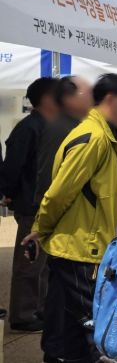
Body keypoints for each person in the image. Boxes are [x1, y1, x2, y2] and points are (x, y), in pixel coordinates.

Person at [24, 73, 117, 363]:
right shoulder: (94, 138)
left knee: (64, 330)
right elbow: (58, 194)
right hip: (82, 252)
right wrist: (40, 229)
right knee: (98, 330)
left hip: (81, 249)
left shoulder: (104, 135)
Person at [0, 77, 58, 332]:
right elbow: (13, 166)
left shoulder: (47, 125)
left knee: (43, 263)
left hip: (44, 204)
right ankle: (23, 315)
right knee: (29, 261)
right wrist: (8, 193)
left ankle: (39, 308)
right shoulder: (29, 127)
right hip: (31, 204)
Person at [35, 76, 94, 207]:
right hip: (64, 210)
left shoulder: (79, 124)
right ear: (69, 98)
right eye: (87, 93)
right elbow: (49, 173)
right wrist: (47, 211)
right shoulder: (61, 128)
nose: (92, 98)